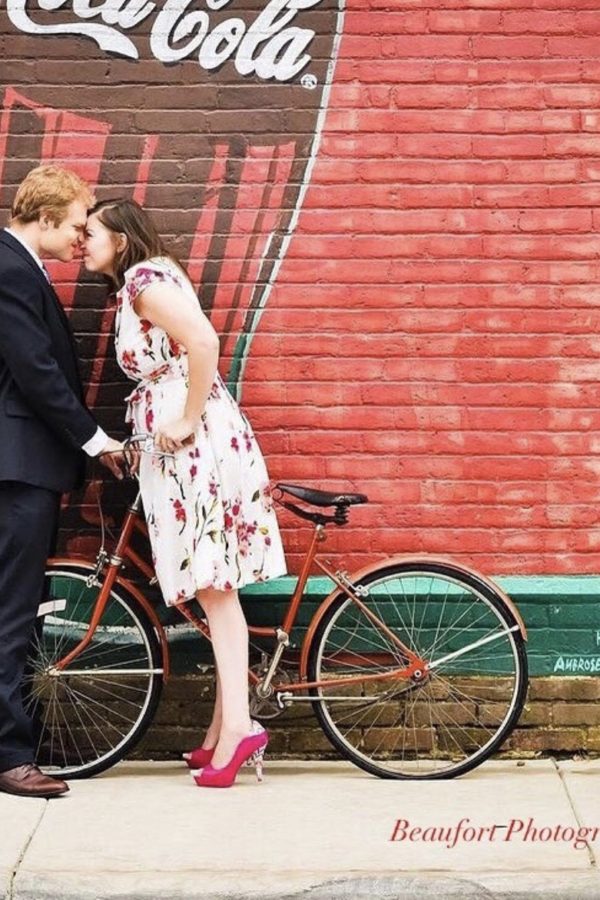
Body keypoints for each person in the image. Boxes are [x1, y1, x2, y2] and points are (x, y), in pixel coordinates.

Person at [83, 198, 287, 788]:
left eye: (91, 233)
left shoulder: (146, 283)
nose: (82, 242)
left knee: (213, 587)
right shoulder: (144, 282)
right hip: (182, 445)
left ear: (121, 239)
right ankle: (220, 733)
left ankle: (241, 731)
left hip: (193, 446)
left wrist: (188, 418)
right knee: (214, 586)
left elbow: (202, 341)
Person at [0, 165, 124, 799]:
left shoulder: (20, 267)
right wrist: (96, 440)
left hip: (23, 465)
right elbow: (35, 369)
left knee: (20, 611)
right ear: (45, 218)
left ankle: (19, 739)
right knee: (12, 613)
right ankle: (10, 756)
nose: (82, 236)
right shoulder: (9, 267)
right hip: (16, 467)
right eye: (77, 223)